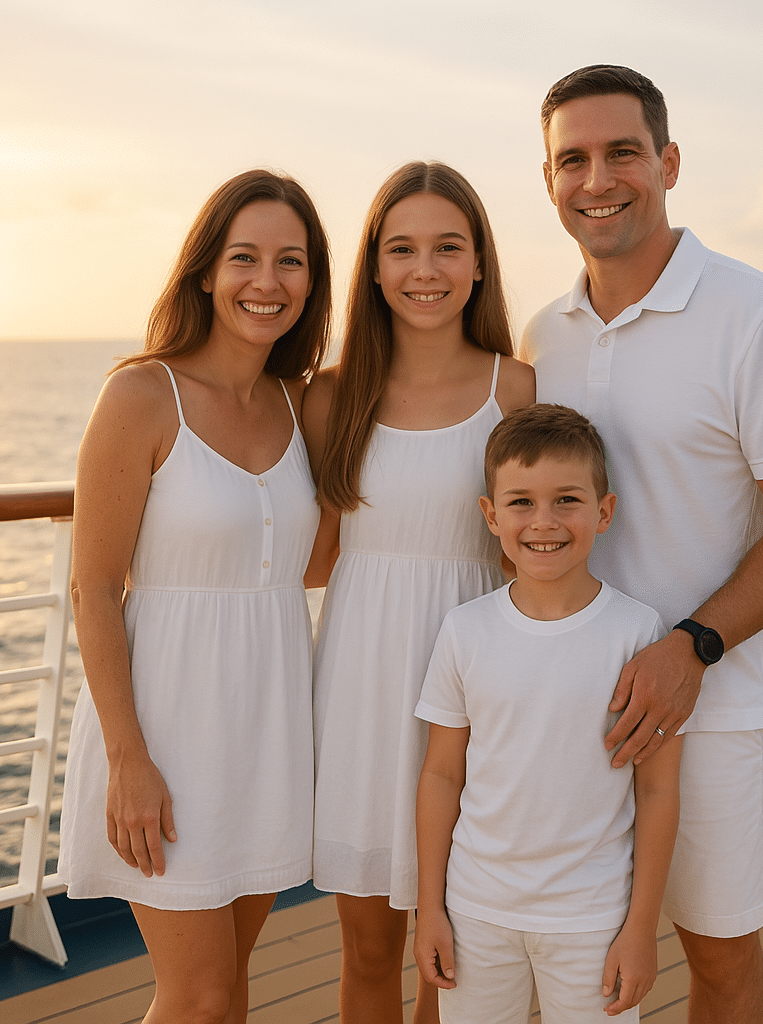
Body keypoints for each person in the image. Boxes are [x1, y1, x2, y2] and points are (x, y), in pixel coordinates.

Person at [520, 65, 763, 1023]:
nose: (598, 178)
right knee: (566, 956)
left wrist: (691, 648)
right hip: (561, 710)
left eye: (622, 152)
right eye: (571, 160)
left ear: (666, 162)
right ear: (548, 182)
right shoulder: (545, 334)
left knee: (718, 958)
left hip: (706, 702)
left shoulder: (758, 316)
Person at [58, 169, 332, 1024]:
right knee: (199, 999)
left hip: (269, 729)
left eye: (291, 261)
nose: (267, 281)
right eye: (244, 257)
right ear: (206, 271)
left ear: (312, 282)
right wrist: (128, 758)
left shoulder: (301, 404)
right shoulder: (143, 394)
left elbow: (308, 564)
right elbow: (93, 587)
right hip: (165, 731)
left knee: (231, 988)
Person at [302, 160, 535, 1024]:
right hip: (361, 688)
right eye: (400, 249)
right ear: (372, 267)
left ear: (479, 263)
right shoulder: (329, 397)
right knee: (367, 950)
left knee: (457, 951)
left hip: (475, 694)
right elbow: (313, 551)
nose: (424, 270)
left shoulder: (514, 388)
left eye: (447, 246)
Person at [414, 403, 683, 1022]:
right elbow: (441, 776)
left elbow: (659, 790)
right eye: (520, 502)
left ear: (604, 512)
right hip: (477, 910)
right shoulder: (465, 630)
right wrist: (432, 910)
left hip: (592, 917)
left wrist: (642, 927)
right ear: (490, 515)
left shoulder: (639, 635)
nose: (544, 522)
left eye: (567, 500)